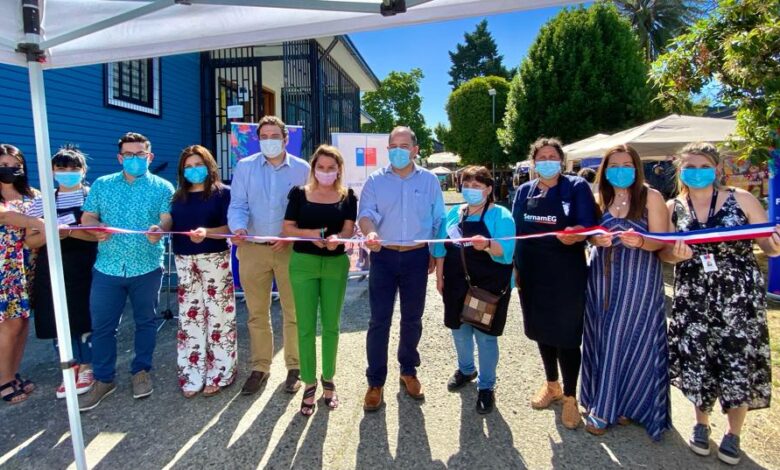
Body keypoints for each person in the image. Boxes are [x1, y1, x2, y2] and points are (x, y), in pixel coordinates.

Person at [659, 142, 779, 465]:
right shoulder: (673, 207)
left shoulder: (742, 199)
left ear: (717, 168)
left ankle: (733, 432)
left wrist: (776, 243)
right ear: (680, 170)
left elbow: (768, 246)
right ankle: (701, 423)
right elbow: (665, 252)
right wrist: (675, 255)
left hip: (737, 297)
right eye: (690, 167)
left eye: (704, 166)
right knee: (698, 358)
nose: (697, 172)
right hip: (693, 295)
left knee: (736, 359)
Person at [78, 132, 175, 411]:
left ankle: (141, 371)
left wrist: (160, 230)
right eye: (129, 155)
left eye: (140, 154)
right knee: (103, 327)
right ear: (120, 158)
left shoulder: (163, 187)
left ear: (149, 156)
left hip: (146, 267)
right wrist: (95, 227)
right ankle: (103, 378)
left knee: (146, 321)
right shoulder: (102, 184)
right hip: (107, 267)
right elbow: (88, 216)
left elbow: (166, 219)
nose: (135, 159)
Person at [580, 145, 671, 440]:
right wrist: (595, 239)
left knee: (623, 336)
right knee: (601, 335)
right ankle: (619, 403)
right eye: (614, 165)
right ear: (605, 170)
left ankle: (604, 409)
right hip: (601, 277)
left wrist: (642, 241)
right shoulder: (600, 197)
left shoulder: (650, 196)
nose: (621, 170)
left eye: (627, 164)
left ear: (636, 167)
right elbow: (589, 235)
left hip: (637, 277)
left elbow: (661, 240)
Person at [511, 137, 597, 429]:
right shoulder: (524, 191)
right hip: (531, 272)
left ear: (560, 160)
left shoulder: (576, 186)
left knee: (567, 335)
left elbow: (587, 225)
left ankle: (571, 397)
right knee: (541, 330)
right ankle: (552, 385)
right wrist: (515, 267)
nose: (547, 161)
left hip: (565, 273)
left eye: (552, 156)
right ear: (534, 162)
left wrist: (576, 233)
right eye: (541, 157)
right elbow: (516, 231)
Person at [358, 125, 445, 411]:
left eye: (404, 146)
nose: (398, 151)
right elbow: (365, 215)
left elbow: (438, 220)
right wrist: (370, 232)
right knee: (378, 321)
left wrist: (433, 253)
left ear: (415, 150)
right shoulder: (375, 181)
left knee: (412, 319)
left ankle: (408, 370)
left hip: (416, 258)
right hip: (383, 257)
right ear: (387, 149)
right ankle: (375, 381)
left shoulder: (429, 181)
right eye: (393, 146)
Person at [228, 115, 310, 395]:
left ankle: (295, 366)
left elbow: (307, 210)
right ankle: (260, 367)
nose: (269, 141)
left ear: (285, 139)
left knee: (294, 311)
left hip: (290, 250)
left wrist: (291, 235)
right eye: (264, 137)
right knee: (256, 313)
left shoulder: (302, 169)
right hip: (252, 248)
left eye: (275, 136)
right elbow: (238, 204)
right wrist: (238, 227)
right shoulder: (245, 167)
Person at [432, 165, 515, 414]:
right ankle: (466, 369)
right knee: (459, 330)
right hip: (455, 282)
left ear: (488, 189)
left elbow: (507, 252)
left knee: (485, 337)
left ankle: (487, 385)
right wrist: (439, 276)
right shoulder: (455, 213)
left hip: (486, 287)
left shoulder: (500, 215)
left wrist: (488, 244)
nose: (470, 190)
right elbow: (441, 247)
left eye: (476, 186)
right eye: (466, 185)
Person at [282, 145, 357, 416]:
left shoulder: (348, 196)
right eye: (321, 167)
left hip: (335, 264)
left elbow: (348, 229)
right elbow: (287, 228)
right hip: (303, 264)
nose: (326, 172)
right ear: (313, 168)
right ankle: (309, 382)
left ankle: (328, 379)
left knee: (331, 326)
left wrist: (339, 239)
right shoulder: (299, 194)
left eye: (331, 168)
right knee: (304, 326)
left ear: (339, 170)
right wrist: (312, 234)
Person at [26, 146, 98, 399]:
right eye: (61, 168)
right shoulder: (41, 201)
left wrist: (69, 232)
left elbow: (99, 234)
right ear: (52, 171)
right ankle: (69, 368)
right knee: (57, 319)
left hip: (86, 266)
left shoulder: (92, 196)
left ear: (83, 171)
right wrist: (51, 234)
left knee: (85, 317)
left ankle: (88, 367)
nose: (68, 172)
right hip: (52, 268)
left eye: (74, 168)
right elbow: (30, 240)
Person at [169, 145, 236, 398]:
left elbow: (231, 227)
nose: (193, 170)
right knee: (190, 318)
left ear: (209, 166)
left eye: (198, 164)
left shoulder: (223, 193)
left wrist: (207, 233)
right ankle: (192, 374)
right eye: (188, 166)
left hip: (214, 259)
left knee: (219, 317)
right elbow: (170, 222)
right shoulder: (177, 197)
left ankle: (220, 373)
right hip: (184, 260)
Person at [0, 144, 41, 404]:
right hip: (5, 267)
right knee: (9, 323)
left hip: (29, 264)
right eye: (4, 165)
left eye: (15, 165)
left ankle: (13, 373)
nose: (10, 169)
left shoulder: (33, 194)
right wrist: (37, 222)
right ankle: (3, 379)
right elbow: (6, 218)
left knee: (24, 322)